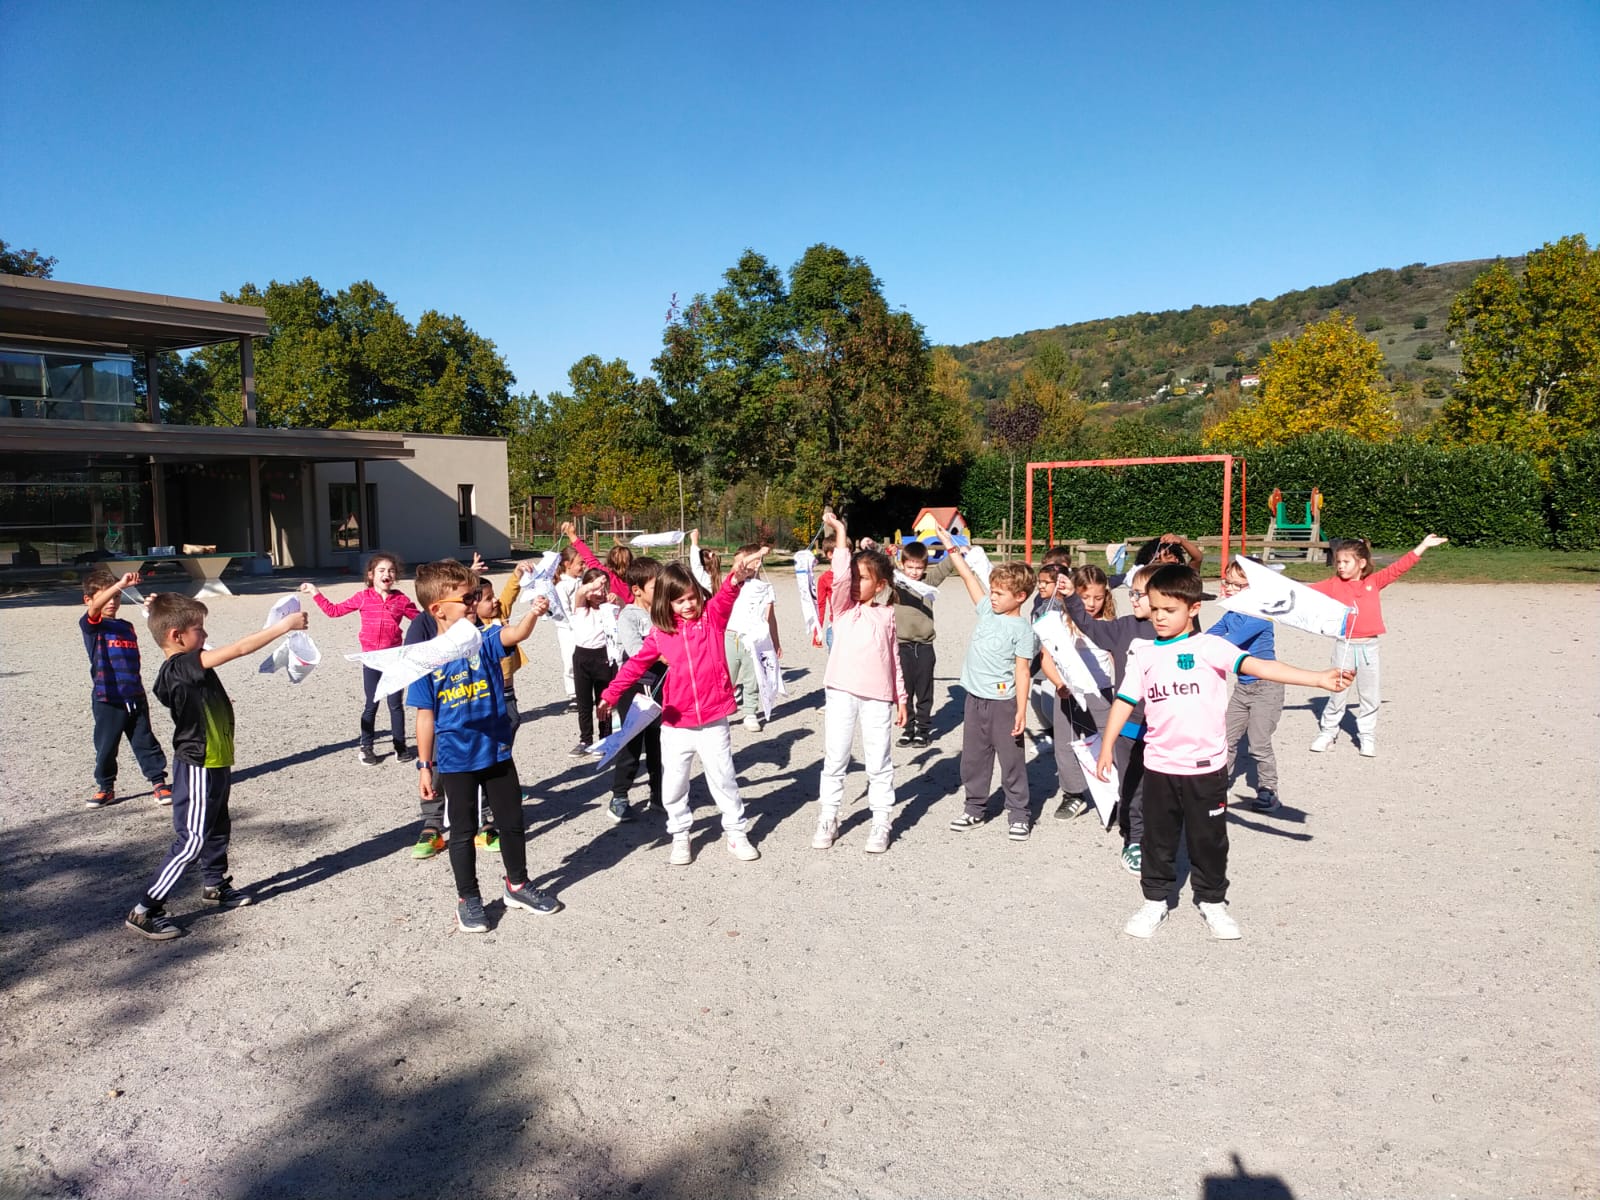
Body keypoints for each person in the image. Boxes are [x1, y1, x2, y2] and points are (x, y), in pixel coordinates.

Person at [1095, 564, 1352, 941]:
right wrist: (1105, 748)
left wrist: (1317, 678)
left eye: (1170, 610)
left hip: (1207, 769)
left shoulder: (1210, 647)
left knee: (1209, 839)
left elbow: (1260, 666)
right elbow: (1124, 700)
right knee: (1157, 839)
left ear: (1194, 609)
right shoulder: (1143, 652)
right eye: (1155, 608)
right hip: (1161, 767)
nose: (1160, 617)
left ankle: (1212, 902)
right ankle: (1154, 901)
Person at [123, 593, 309, 940]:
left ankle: (215, 885)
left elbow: (173, 632)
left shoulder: (188, 664)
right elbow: (239, 649)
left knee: (218, 828)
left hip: (217, 760)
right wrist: (284, 626)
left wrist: (155, 606)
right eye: (199, 630)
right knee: (192, 840)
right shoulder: (180, 667)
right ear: (178, 636)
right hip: (197, 763)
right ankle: (145, 909)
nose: (205, 636)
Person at [408, 558, 559, 933]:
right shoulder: (425, 658)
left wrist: (535, 614)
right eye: (467, 598)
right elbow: (424, 717)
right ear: (437, 610)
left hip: (496, 752)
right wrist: (424, 766)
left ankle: (517, 885)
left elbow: (515, 635)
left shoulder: (485, 638)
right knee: (462, 831)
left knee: (512, 822)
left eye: (477, 596)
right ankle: (468, 898)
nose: (475, 603)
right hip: (456, 759)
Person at [596, 548, 770, 867]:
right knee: (674, 784)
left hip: (714, 720)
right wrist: (610, 693)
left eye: (692, 597)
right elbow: (634, 666)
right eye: (680, 601)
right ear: (668, 603)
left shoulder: (712, 618)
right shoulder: (661, 635)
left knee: (724, 778)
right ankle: (680, 834)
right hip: (676, 724)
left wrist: (737, 575)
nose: (688, 605)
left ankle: (736, 831)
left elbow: (727, 594)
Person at [933, 525, 1038, 841]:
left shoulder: (1023, 630)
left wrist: (1021, 710)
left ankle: (1019, 814)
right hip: (974, 700)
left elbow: (1022, 672)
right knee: (973, 758)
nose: (992, 596)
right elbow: (968, 577)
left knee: (1011, 761)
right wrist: (950, 546)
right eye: (991, 591)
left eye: (999, 593)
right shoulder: (987, 612)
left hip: (1003, 704)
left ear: (1019, 597)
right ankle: (974, 808)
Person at [812, 513, 907, 854]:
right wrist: (840, 533)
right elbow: (838, 577)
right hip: (840, 692)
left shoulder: (887, 616)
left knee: (878, 760)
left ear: (880, 585)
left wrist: (902, 698)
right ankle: (829, 816)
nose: (854, 582)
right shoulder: (842, 609)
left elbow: (893, 658)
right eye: (853, 575)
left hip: (878, 698)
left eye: (863, 578)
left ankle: (882, 819)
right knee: (835, 757)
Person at [1309, 533, 1448, 757]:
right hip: (1344, 646)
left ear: (1362, 563)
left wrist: (1422, 546)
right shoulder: (1333, 584)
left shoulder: (1373, 582)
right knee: (1337, 692)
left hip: (1369, 648)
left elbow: (1398, 568)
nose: (1340, 566)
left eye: (1346, 562)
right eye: (1338, 562)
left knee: (1369, 694)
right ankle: (1328, 732)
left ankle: (1366, 735)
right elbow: (1306, 593)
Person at [1061, 563, 1157, 873]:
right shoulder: (1123, 627)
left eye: (1140, 594)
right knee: (1131, 785)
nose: (1133, 598)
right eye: (1132, 592)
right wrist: (1072, 598)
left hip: (1162, 725)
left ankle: (1159, 832)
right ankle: (1133, 837)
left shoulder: (1178, 630)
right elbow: (1091, 627)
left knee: (1161, 784)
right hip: (1129, 725)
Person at [301, 551, 419, 765]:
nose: (387, 574)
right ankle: (366, 747)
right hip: (371, 660)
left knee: (395, 705)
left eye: (391, 570)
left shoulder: (401, 599)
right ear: (371, 574)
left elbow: (420, 620)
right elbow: (334, 611)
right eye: (382, 570)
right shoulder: (362, 597)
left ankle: (400, 747)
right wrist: (315, 593)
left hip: (394, 659)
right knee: (371, 703)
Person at [79, 567, 170, 808]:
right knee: (106, 745)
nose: (113, 601)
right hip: (107, 697)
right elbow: (95, 610)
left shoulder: (127, 626)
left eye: (117, 597)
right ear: (88, 599)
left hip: (134, 694)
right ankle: (105, 787)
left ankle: (159, 783)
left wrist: (155, 607)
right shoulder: (92, 626)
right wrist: (120, 584)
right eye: (107, 596)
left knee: (145, 740)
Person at [1208, 558, 1285, 812]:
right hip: (1243, 687)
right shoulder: (1231, 614)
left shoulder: (1260, 615)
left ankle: (1268, 789)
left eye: (1236, 584)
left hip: (1267, 687)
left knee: (1259, 742)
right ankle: (1217, 787)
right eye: (1227, 582)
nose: (1228, 587)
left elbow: (1231, 641)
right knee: (1226, 739)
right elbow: (1210, 636)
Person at [607, 557, 666, 822]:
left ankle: (659, 794)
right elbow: (635, 650)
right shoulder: (628, 616)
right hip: (635, 688)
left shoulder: (665, 612)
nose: (663, 592)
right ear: (637, 589)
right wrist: (663, 654)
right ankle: (619, 796)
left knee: (660, 743)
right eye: (657, 588)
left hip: (664, 685)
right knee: (632, 744)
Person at [891, 538, 956, 747]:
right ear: (903, 565)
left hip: (925, 646)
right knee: (905, 690)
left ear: (925, 567)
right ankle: (908, 728)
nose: (914, 572)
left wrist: (954, 547)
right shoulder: (896, 580)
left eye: (919, 568)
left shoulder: (928, 583)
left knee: (924, 690)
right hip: (902, 645)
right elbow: (883, 565)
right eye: (910, 567)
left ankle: (923, 730)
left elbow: (946, 567)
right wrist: (877, 548)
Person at [723, 542, 780, 731]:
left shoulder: (766, 588)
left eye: (744, 561)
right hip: (731, 638)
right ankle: (720, 710)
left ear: (756, 564)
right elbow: (736, 570)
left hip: (754, 639)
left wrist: (775, 641)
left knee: (752, 677)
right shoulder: (735, 583)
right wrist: (758, 554)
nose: (740, 566)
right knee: (726, 678)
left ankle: (750, 712)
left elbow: (770, 617)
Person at [566, 567, 618, 755]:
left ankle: (605, 739)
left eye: (602, 589)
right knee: (584, 702)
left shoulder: (608, 608)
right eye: (594, 590)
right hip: (582, 657)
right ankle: (585, 739)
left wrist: (613, 600)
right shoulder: (581, 608)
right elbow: (580, 594)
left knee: (604, 702)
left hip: (603, 658)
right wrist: (591, 586)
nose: (599, 593)